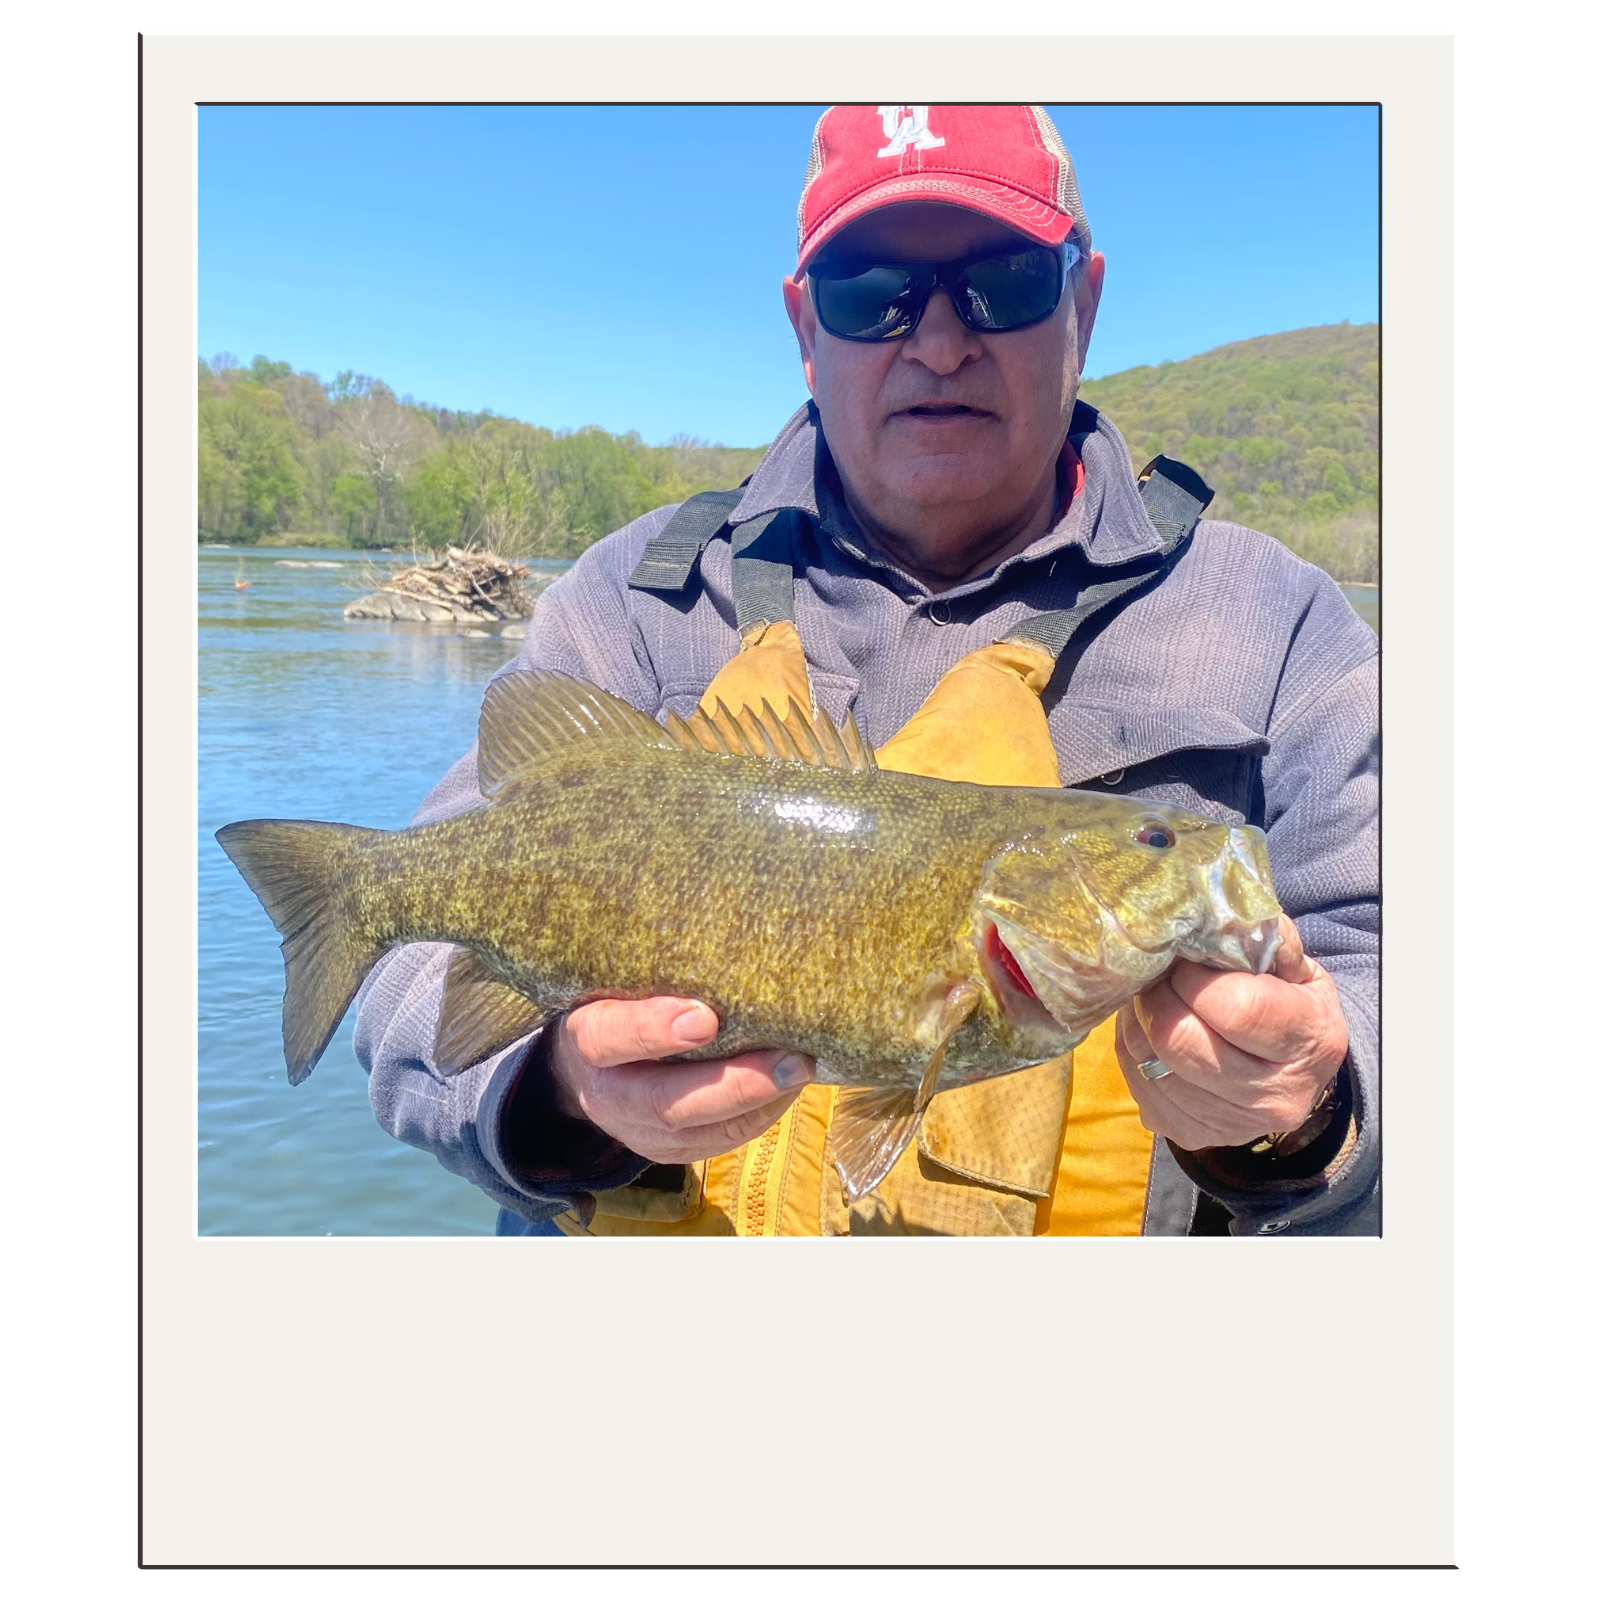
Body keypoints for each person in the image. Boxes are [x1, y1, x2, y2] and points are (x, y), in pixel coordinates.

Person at [353, 105, 1378, 1238]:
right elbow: (406, 995)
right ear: (804, 325)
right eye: (869, 291)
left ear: (1080, 304)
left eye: (1000, 283)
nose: (938, 342)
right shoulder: (630, 603)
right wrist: (559, 1091)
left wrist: (1314, 1107)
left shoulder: (1280, 626)